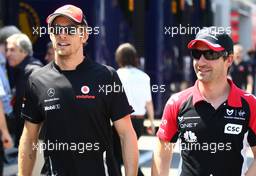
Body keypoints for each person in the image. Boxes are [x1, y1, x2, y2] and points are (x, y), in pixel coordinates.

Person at [18, 4, 138, 176]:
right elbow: (29, 138)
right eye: (56, 28)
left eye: (71, 29)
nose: (62, 34)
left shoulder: (106, 76)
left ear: (84, 35)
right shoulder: (37, 80)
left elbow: (126, 134)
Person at [152, 27, 256, 176]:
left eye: (210, 54)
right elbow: (162, 154)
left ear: (229, 59)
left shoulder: (250, 105)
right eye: (197, 54)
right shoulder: (177, 102)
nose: (201, 62)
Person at [114, 43, 155, 176]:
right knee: (127, 155)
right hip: (138, 122)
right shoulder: (144, 77)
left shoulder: (116, 75)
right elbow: (148, 103)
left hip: (121, 120)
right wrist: (152, 123)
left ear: (119, 58)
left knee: (117, 156)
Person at [6, 33, 43, 147]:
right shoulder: (19, 70)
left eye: (12, 50)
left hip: (34, 141)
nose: (8, 54)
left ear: (24, 51)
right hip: (24, 138)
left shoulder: (34, 71)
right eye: (7, 50)